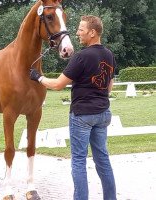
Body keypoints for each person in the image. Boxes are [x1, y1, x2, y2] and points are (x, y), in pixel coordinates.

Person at [30, 15, 117, 200]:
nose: (77, 33)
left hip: (82, 115)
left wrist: (38, 77)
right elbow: (109, 86)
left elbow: (58, 84)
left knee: (78, 160)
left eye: (81, 29)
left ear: (92, 33)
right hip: (103, 113)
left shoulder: (82, 56)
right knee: (102, 158)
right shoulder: (108, 54)